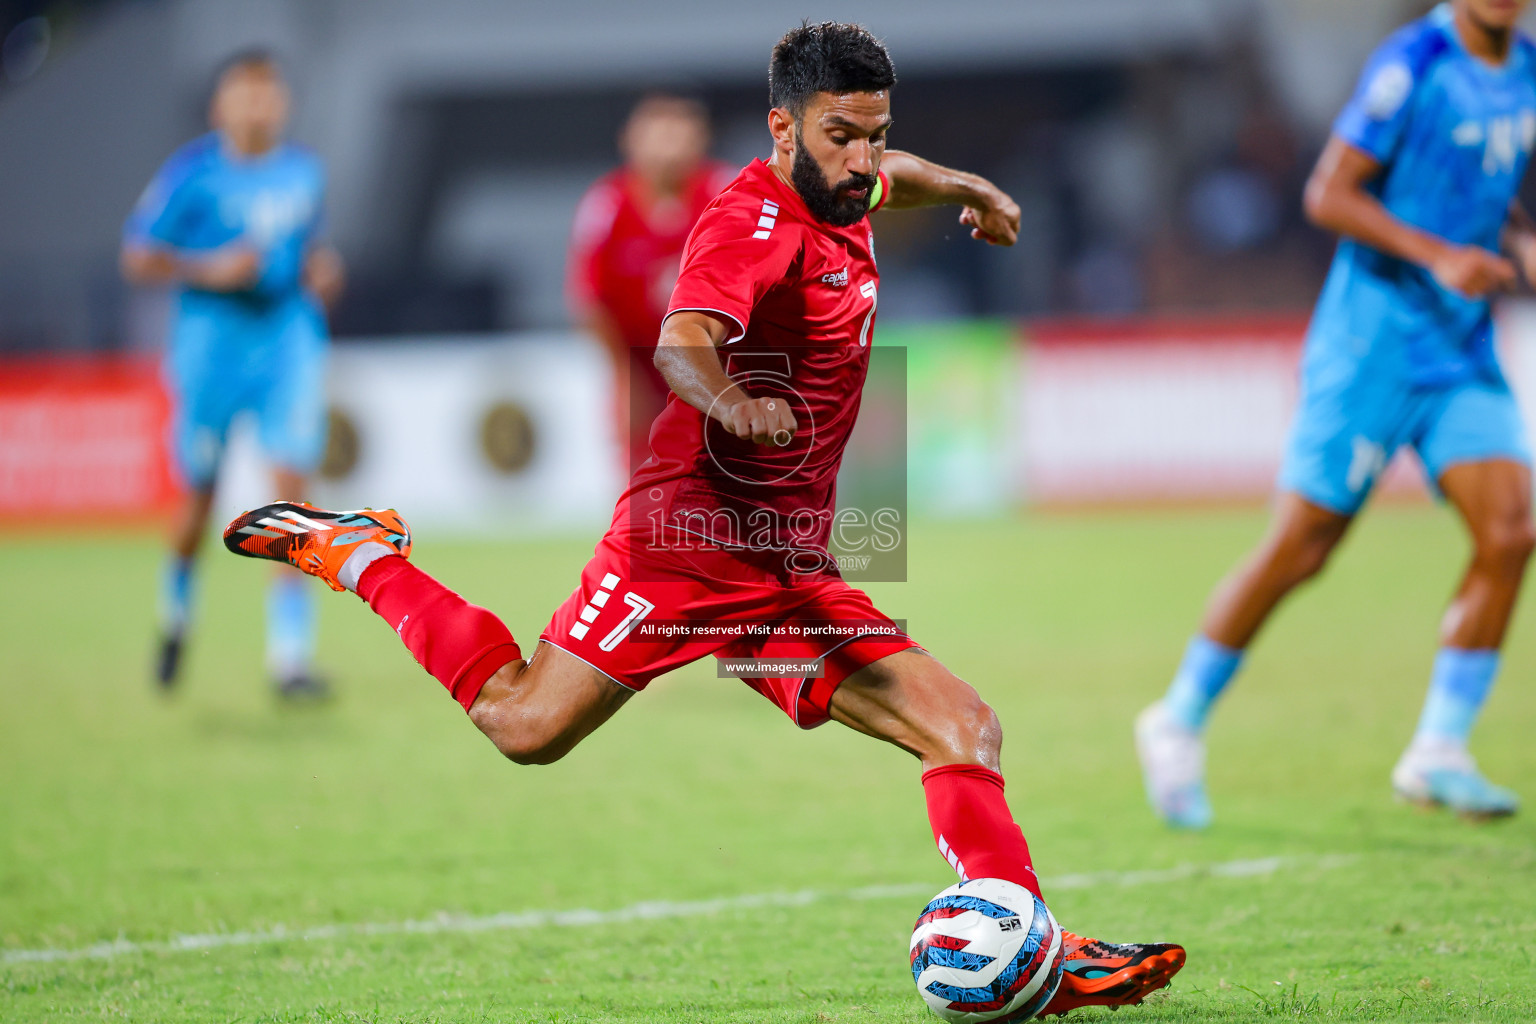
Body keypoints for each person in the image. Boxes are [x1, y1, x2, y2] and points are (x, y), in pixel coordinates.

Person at [223, 23, 1185, 1015]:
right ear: (781, 129)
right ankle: (364, 556)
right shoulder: (747, 222)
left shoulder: (847, 185)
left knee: (962, 726)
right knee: (523, 724)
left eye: (872, 134)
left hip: (784, 562)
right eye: (840, 137)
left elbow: (896, 169)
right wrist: (733, 404)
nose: (862, 160)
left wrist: (974, 188)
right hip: (687, 541)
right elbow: (685, 339)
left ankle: (1044, 954)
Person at [1137, 0, 1536, 827]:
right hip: (1371, 351)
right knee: (1302, 549)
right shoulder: (1414, 61)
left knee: (1511, 532)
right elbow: (1330, 193)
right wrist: (1440, 257)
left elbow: (1475, 187)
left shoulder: (1523, 68)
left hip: (1459, 352)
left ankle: (1438, 749)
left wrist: (1519, 240)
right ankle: (1177, 717)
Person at [122, 49, 344, 698]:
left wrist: (324, 270)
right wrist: (208, 267)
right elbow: (138, 255)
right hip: (212, 355)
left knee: (293, 498)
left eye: (267, 93)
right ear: (221, 105)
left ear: (283, 103)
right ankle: (176, 616)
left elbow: (312, 250)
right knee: (198, 495)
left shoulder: (305, 173)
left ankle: (290, 659)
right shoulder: (191, 175)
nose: (257, 104)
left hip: (288, 347)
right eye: (244, 93)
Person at [569, 94, 737, 473]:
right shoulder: (606, 205)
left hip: (719, 362)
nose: (668, 149)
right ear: (630, 140)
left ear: (701, 139)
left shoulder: (726, 194)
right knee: (643, 480)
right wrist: (621, 377)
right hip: (641, 368)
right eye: (657, 135)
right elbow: (589, 301)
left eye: (679, 135)